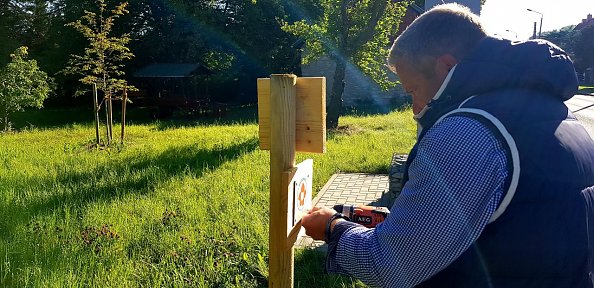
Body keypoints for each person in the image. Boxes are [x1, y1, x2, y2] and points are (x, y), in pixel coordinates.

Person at [301, 3, 594, 287]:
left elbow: (390, 267)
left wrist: (332, 227)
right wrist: (402, 222)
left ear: (446, 65)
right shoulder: (551, 111)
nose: (415, 107)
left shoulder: (466, 132)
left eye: (413, 89)